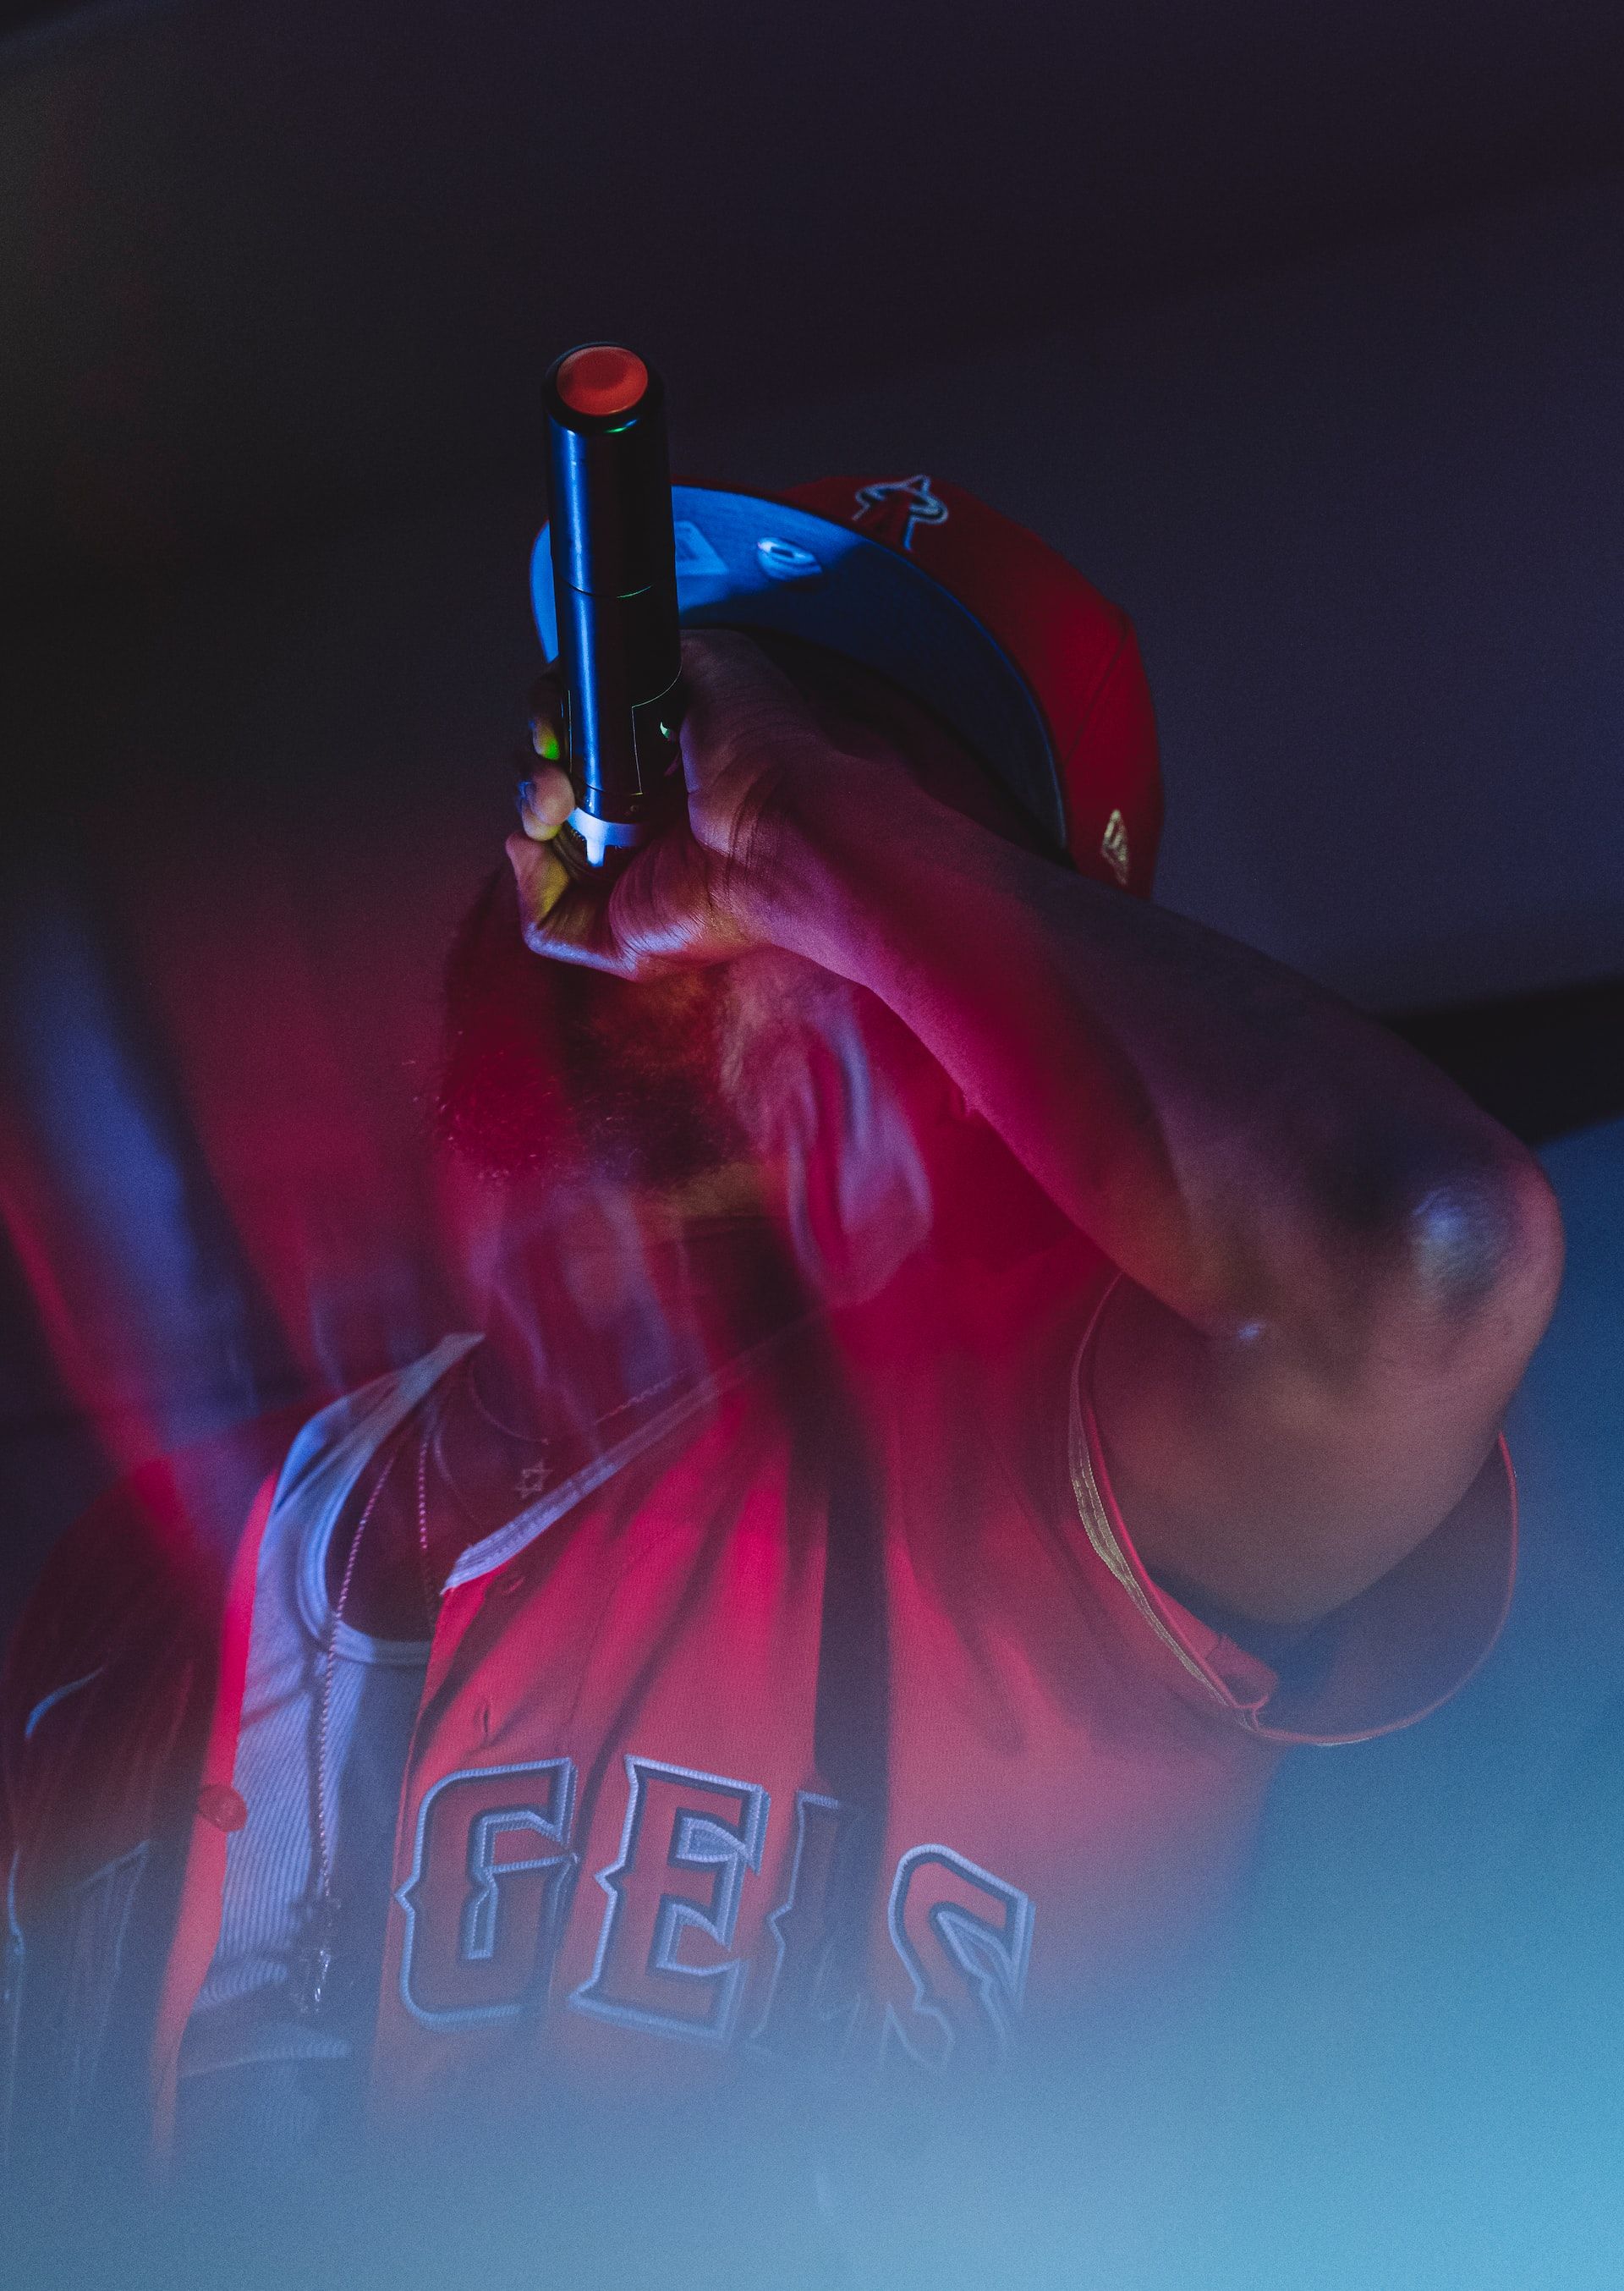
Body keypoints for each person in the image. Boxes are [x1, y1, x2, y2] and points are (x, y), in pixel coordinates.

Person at [0, 473, 1562, 2203]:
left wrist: (810, 821)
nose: (679, 866)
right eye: (640, 773)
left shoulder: (1043, 1472)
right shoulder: (150, 1584)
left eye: (796, 821)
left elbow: (1425, 1255)